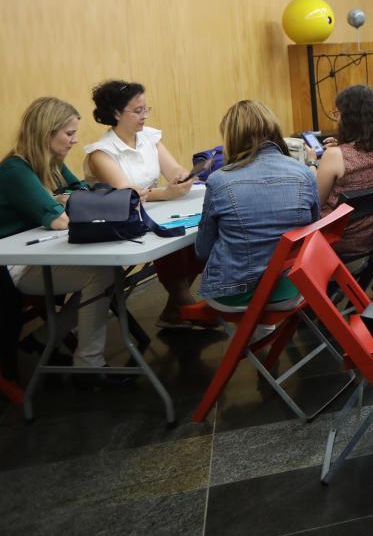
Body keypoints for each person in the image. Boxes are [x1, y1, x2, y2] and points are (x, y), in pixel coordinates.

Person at [0, 98, 118, 379]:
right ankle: (88, 367)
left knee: (112, 272)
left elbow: (84, 195)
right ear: (47, 132)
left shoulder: (51, 163)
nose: (75, 140)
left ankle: (42, 339)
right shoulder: (16, 169)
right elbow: (60, 220)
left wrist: (63, 198)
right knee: (100, 276)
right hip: (12, 264)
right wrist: (64, 200)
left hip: (38, 251)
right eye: (69, 134)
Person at [82, 79, 202, 329]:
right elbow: (128, 196)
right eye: (137, 111)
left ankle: (176, 308)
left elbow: (173, 169)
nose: (144, 116)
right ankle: (185, 303)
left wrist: (181, 176)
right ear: (116, 113)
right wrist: (166, 194)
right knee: (170, 239)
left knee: (199, 236)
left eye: (146, 109)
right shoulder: (101, 153)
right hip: (123, 224)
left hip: (159, 211)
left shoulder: (148, 137)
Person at [195, 101, 319, 310]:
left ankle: (251, 335)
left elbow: (203, 250)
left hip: (235, 293)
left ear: (231, 136)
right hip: (291, 288)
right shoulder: (304, 173)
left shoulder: (218, 181)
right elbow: (312, 232)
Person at [315, 85, 373, 260]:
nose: (336, 120)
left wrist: (311, 164)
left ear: (350, 118)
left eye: (338, 114)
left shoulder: (335, 156)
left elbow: (314, 204)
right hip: (370, 243)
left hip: (332, 243)